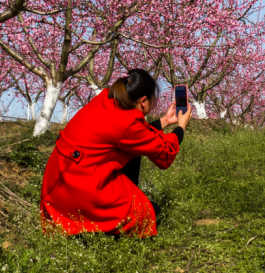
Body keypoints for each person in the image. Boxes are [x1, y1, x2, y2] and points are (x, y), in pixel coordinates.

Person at [40, 69, 191, 238]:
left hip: (58, 187)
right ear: (143, 101)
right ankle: (95, 232)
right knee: (151, 213)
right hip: (82, 193)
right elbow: (164, 153)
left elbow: (133, 136)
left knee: (134, 152)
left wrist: (163, 121)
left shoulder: (106, 99)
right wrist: (181, 127)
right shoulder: (127, 123)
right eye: (153, 102)